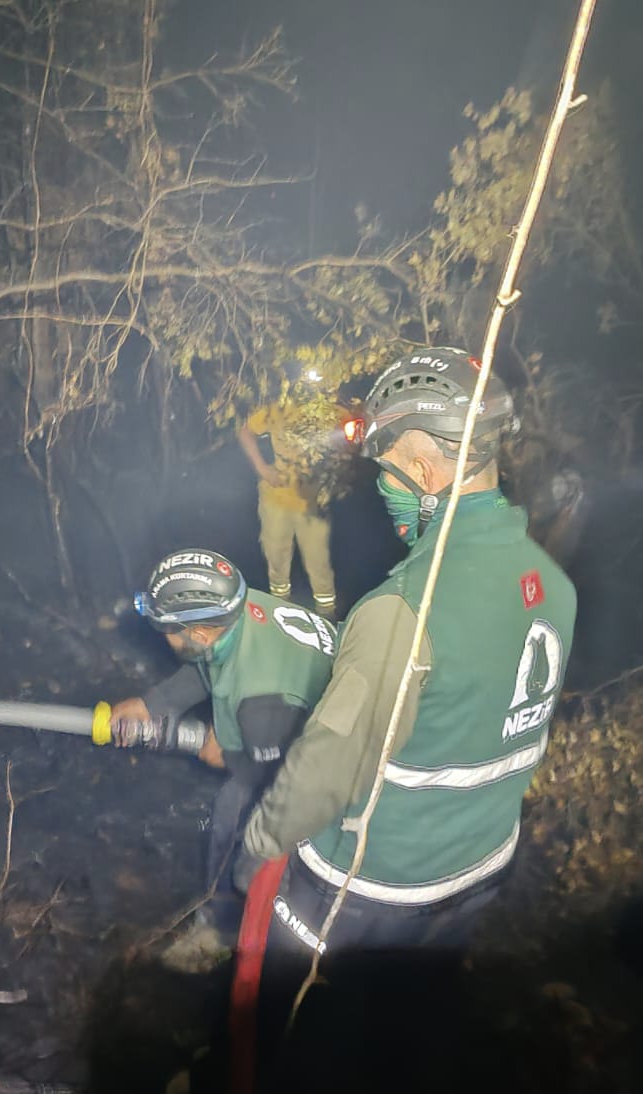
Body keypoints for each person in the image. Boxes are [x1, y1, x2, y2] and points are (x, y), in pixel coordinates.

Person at [227, 347, 579, 1089]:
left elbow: (325, 769)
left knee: (307, 1045)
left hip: (365, 896)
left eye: (387, 475)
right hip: (477, 876)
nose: (382, 495)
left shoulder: (399, 610)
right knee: (412, 1038)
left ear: (423, 474)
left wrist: (256, 846)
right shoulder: (552, 584)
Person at [109, 548, 337, 931]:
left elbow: (270, 772)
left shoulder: (259, 697)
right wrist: (154, 704)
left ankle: (224, 926)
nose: (162, 637)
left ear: (198, 631)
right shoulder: (240, 610)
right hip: (298, 704)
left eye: (165, 629)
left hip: (321, 757)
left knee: (234, 824)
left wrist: (228, 755)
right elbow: (208, 662)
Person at [236, 361, 356, 619]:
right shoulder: (278, 408)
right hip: (275, 498)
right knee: (277, 562)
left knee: (319, 566)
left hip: (313, 503)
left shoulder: (331, 410)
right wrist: (263, 468)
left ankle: (327, 619)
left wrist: (343, 461)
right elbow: (246, 432)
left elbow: (353, 436)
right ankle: (280, 613)